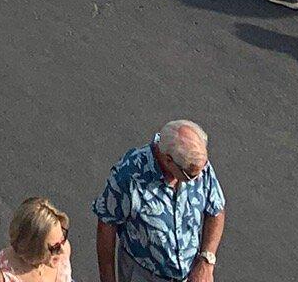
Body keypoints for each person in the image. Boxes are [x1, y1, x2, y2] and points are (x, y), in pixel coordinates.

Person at [94, 121, 224, 282]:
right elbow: (107, 225)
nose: (199, 178)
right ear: (168, 160)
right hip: (144, 275)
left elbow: (216, 210)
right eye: (191, 176)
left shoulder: (197, 165)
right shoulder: (128, 176)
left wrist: (206, 260)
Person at [0, 199, 74, 282]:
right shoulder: (0, 277)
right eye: (55, 247)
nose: (63, 250)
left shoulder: (64, 249)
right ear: (33, 249)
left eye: (63, 238)